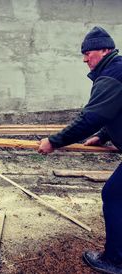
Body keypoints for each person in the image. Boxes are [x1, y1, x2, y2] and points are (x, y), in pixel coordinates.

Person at [38, 26, 122, 274]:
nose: (85, 58)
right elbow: (114, 112)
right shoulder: (116, 70)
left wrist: (54, 141)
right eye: (83, 54)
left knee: (114, 195)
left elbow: (91, 117)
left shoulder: (111, 74)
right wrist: (103, 135)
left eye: (88, 53)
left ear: (104, 50)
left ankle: (114, 260)